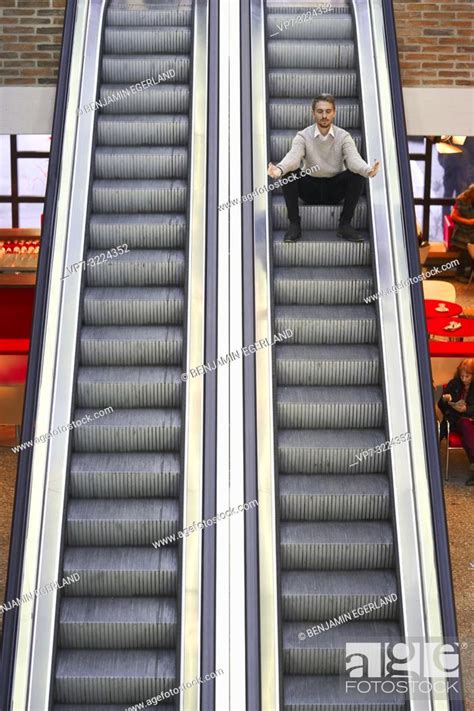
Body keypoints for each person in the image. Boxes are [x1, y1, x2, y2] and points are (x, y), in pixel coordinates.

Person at [267, 93, 380, 243]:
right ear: (313, 113)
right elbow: (293, 157)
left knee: (356, 175)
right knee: (289, 174)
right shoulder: (303, 136)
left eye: (328, 111)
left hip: (335, 189)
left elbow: (353, 159)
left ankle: (345, 225)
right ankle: (294, 224)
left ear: (334, 113)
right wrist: (279, 169)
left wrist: (367, 170)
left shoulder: (343, 136)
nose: (324, 116)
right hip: (310, 189)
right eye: (320, 111)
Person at [438, 358, 474, 485]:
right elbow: (441, 406)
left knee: (466, 437)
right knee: (465, 424)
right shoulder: (454, 384)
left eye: (467, 376)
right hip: (456, 421)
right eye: (462, 375)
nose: (464, 379)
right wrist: (445, 400)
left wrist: (467, 409)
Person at [451, 184, 474, 282]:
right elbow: (453, 216)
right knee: (464, 254)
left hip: (472, 232)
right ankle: (459, 274)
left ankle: (470, 275)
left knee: (471, 255)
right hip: (462, 232)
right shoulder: (461, 200)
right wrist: (468, 221)